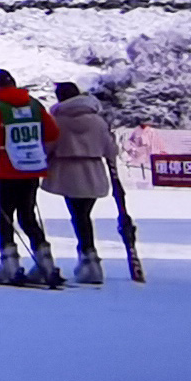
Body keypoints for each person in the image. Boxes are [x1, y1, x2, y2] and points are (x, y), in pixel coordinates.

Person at [44, 79, 142, 285]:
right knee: (84, 214)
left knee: (78, 216)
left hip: (68, 171)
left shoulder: (58, 120)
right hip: (94, 170)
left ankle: (89, 257)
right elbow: (110, 150)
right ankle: (89, 258)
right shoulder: (97, 120)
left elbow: (49, 146)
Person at [0, 69, 60, 283]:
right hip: (33, 167)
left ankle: (10, 265)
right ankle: (46, 264)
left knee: (4, 217)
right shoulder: (33, 104)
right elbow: (52, 132)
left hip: (7, 168)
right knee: (28, 216)